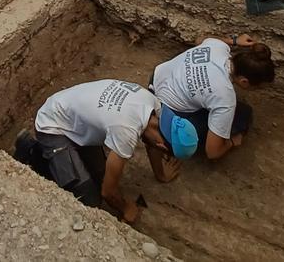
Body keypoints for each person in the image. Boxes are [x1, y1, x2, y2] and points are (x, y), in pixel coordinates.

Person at [13, 79, 198, 224]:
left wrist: (160, 174)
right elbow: (108, 193)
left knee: (101, 176)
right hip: (52, 125)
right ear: (163, 147)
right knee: (89, 200)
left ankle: (59, 155)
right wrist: (126, 208)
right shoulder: (126, 131)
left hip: (73, 116)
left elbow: (154, 142)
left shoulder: (154, 105)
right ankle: (32, 151)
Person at [150, 34, 275, 160]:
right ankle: (170, 141)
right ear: (244, 81)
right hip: (167, 115)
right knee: (242, 115)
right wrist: (232, 142)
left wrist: (234, 41)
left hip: (156, 80)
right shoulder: (225, 99)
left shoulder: (218, 46)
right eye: (258, 87)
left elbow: (199, 39)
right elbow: (212, 152)